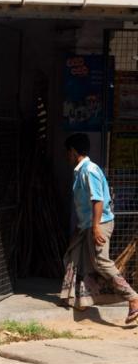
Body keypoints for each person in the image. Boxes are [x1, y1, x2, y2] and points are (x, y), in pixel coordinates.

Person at [61, 133, 138, 323]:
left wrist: (95, 227)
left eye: (68, 153)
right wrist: (83, 227)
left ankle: (133, 297)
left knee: (101, 262)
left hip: (100, 223)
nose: (66, 157)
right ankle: (84, 299)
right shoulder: (80, 170)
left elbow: (98, 200)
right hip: (88, 224)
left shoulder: (90, 170)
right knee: (81, 259)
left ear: (73, 151)